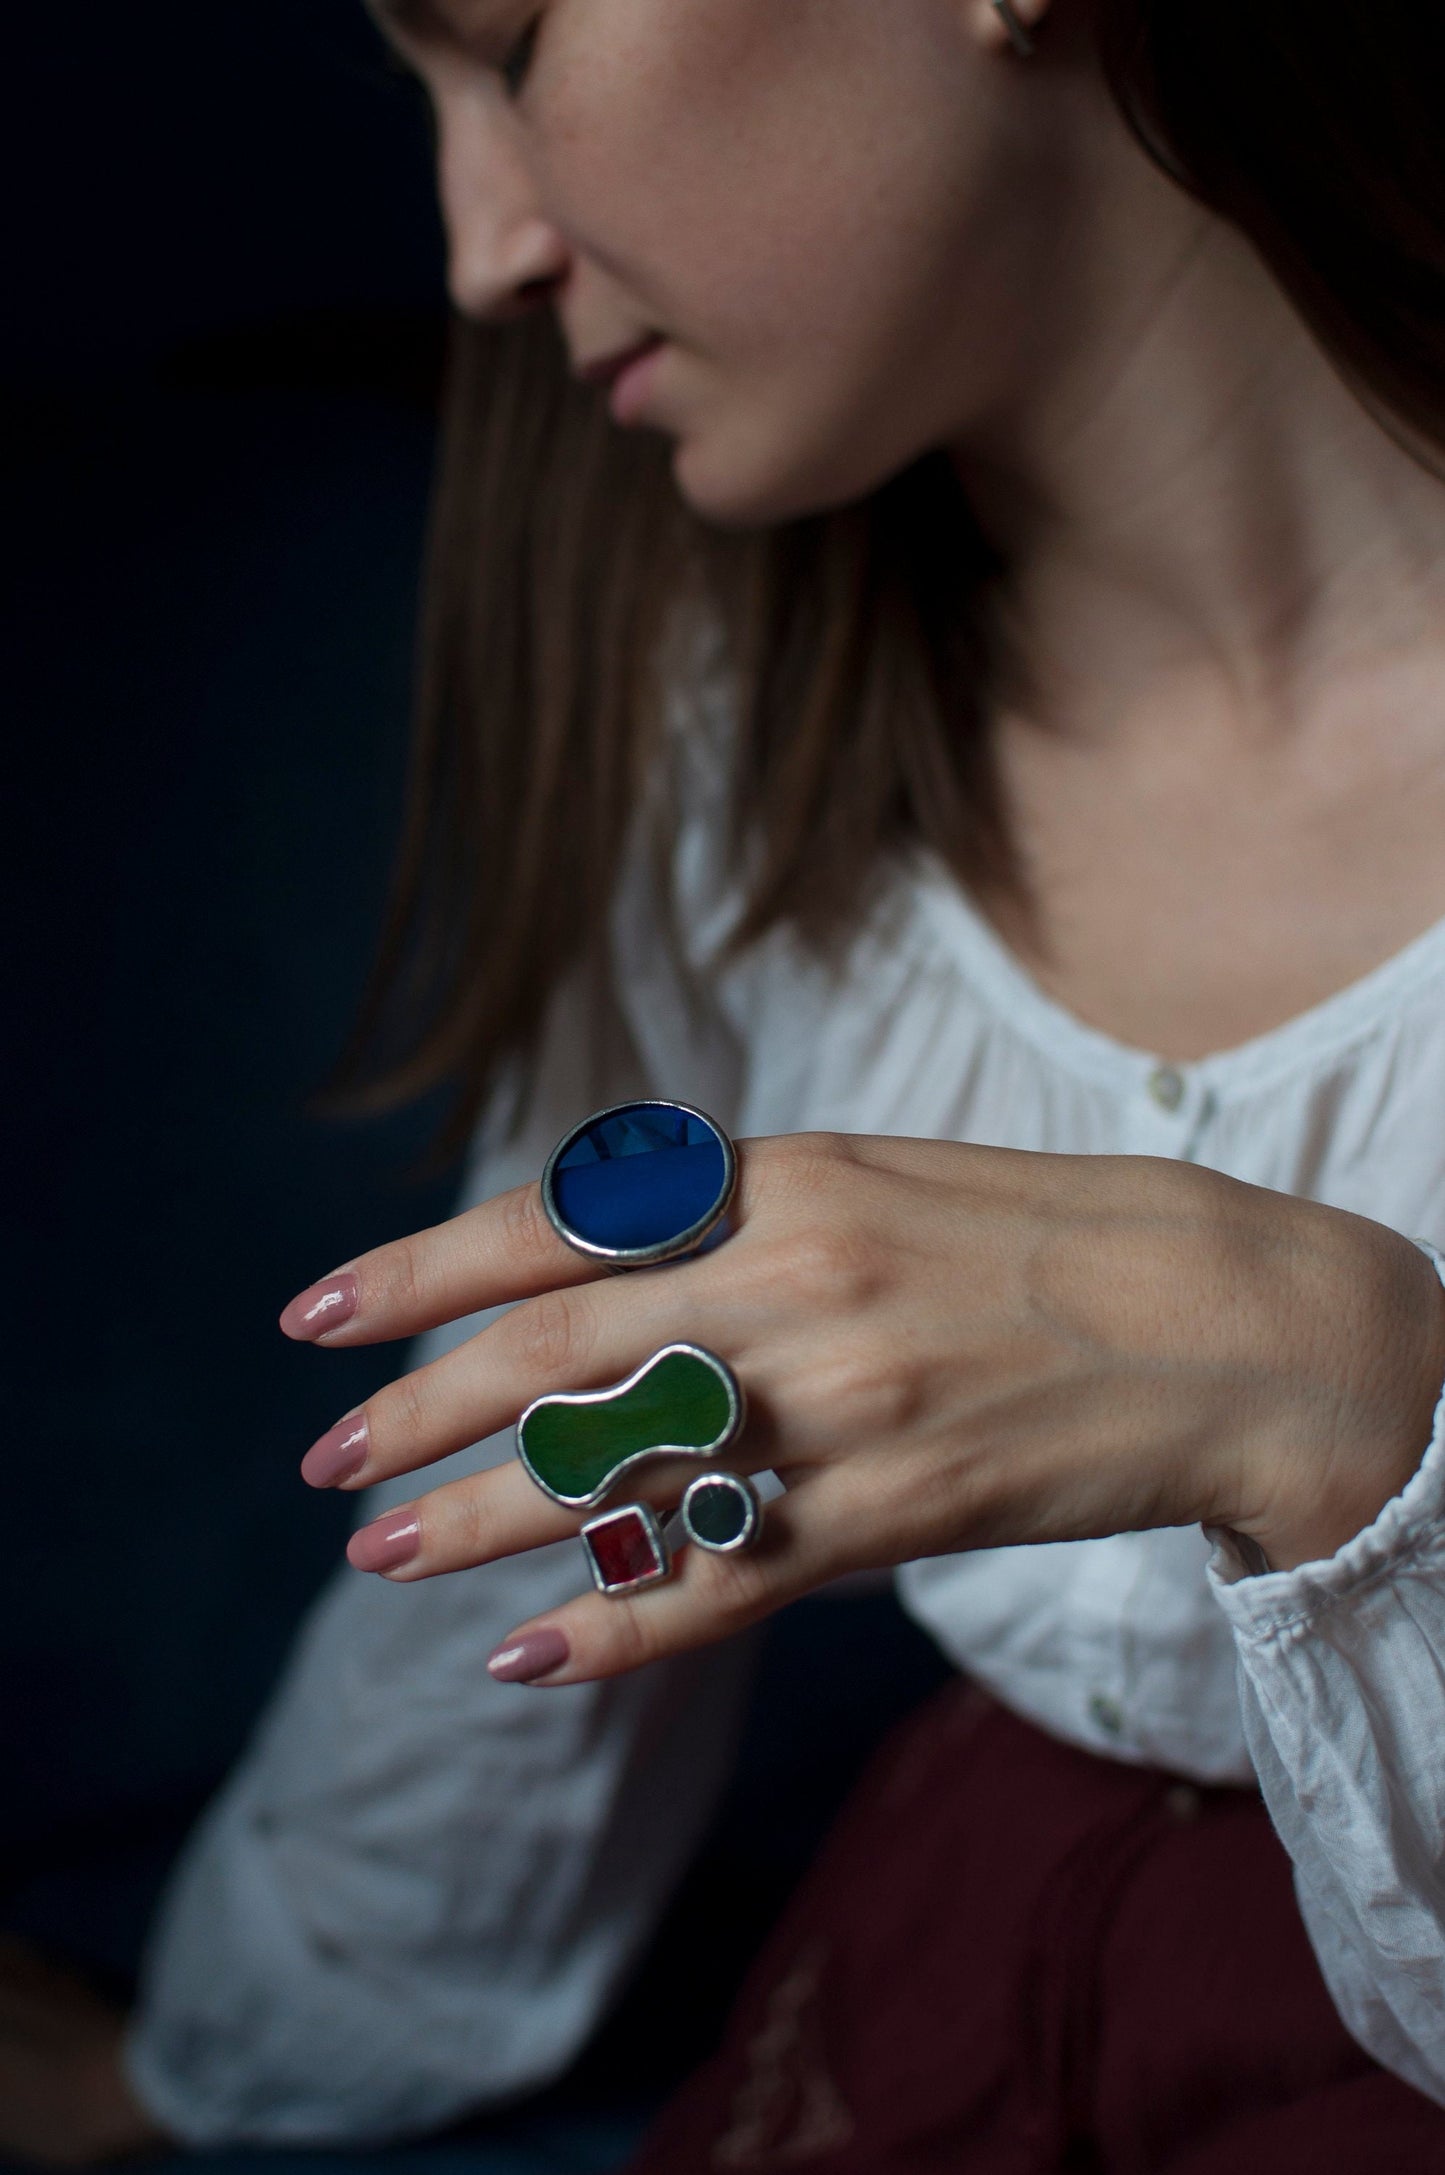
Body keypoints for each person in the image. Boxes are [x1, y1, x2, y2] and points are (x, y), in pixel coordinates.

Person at [9, 0, 1445, 2164]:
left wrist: (1353, 1401)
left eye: (507, 43)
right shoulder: (741, 739)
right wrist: (199, 2065)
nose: (481, 243)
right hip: (919, 1998)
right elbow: (563, 1515)